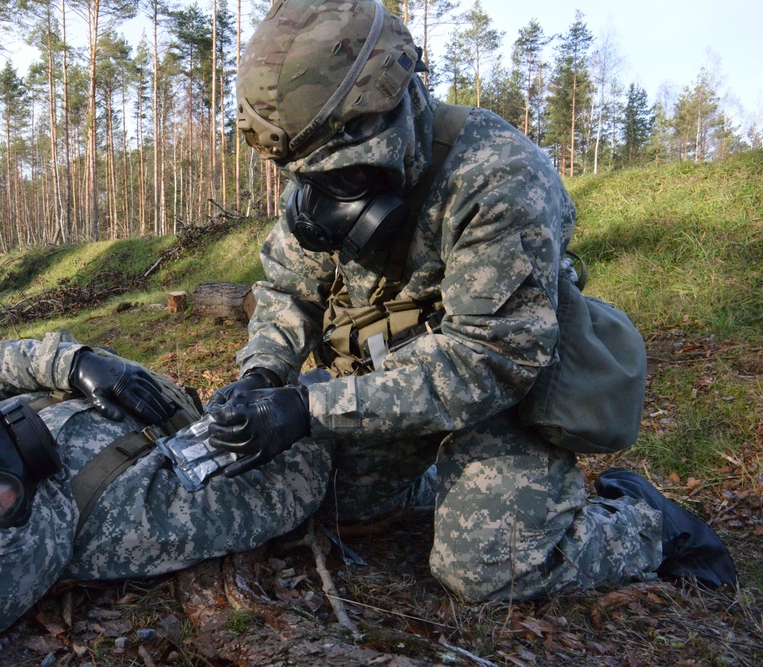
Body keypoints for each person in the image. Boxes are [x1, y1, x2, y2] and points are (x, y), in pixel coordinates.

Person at [210, 0, 736, 602]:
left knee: (488, 568)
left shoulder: (498, 177)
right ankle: (444, 481)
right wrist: (262, 372)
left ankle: (644, 523)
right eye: (311, 180)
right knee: (311, 498)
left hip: (502, 400)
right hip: (394, 389)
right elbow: (287, 286)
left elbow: (489, 362)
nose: (323, 196)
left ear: (386, 114)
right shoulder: (324, 174)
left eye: (344, 178)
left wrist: (309, 409)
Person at [0, 331, 331, 650]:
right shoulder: (134, 526)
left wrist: (72, 363)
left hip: (102, 369)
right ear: (30, 536)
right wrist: (308, 408)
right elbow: (290, 486)